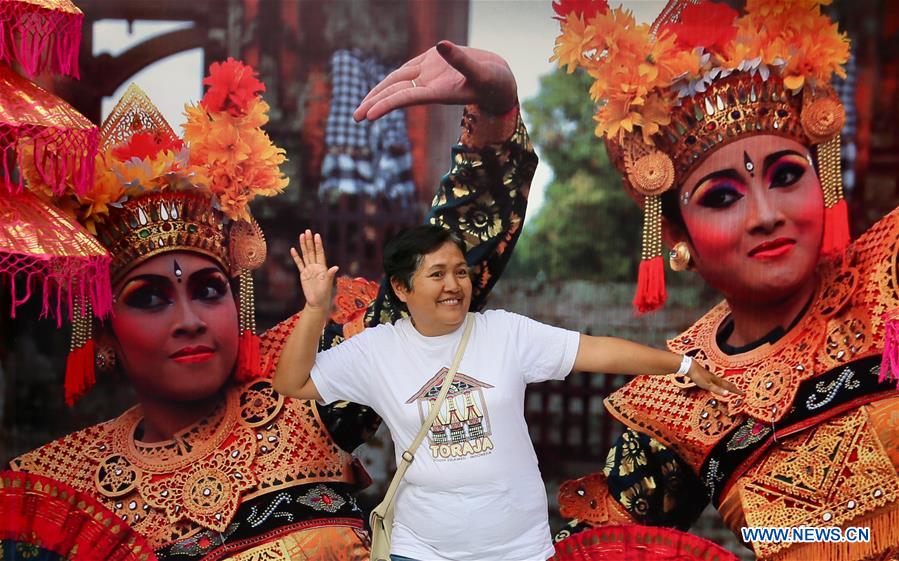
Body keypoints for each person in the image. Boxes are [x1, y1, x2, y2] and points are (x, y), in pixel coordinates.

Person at [9, 41, 539, 560]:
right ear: (103, 332)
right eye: (150, 298)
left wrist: (493, 117)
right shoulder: (55, 494)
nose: (190, 320)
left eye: (208, 289)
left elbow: (436, 283)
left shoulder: (298, 391)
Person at [547, 2, 899, 561]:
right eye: (723, 197)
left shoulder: (888, 273)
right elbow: (596, 549)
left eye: (786, 176)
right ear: (675, 234)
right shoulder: (678, 395)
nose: (765, 214)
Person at [272, 223, 738, 561]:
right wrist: (316, 308)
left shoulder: (504, 333)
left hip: (519, 548)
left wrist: (680, 364)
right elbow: (292, 382)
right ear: (401, 287)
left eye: (460, 271)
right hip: (423, 550)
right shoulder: (378, 349)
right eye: (437, 274)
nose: (454, 285)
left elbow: (595, 351)